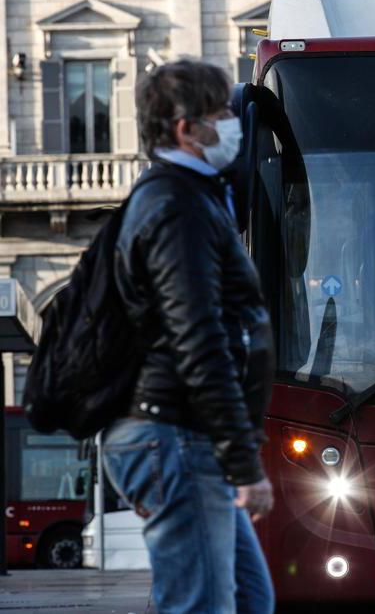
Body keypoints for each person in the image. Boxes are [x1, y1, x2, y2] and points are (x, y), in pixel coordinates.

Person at [102, 59, 276, 613]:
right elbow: (199, 342)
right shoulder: (177, 207)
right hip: (174, 435)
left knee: (249, 599)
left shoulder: (192, 197)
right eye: (221, 113)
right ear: (186, 129)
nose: (232, 124)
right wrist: (243, 462)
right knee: (203, 605)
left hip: (181, 433)